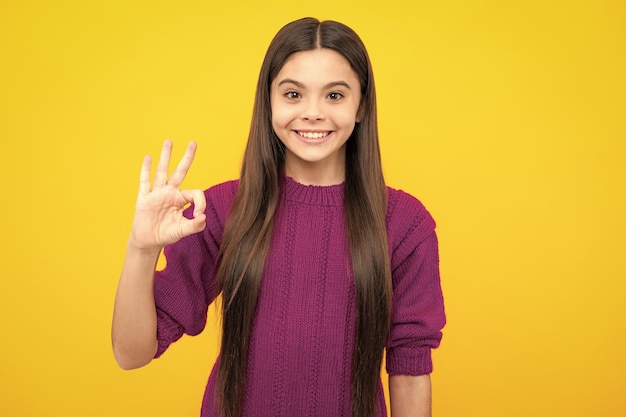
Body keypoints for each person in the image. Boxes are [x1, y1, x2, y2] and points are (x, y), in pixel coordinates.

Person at [112, 17, 445, 417]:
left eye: (335, 96)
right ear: (268, 102)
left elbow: (410, 370)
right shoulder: (223, 210)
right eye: (293, 94)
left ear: (362, 107)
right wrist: (141, 250)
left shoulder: (405, 225)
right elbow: (131, 353)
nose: (313, 113)